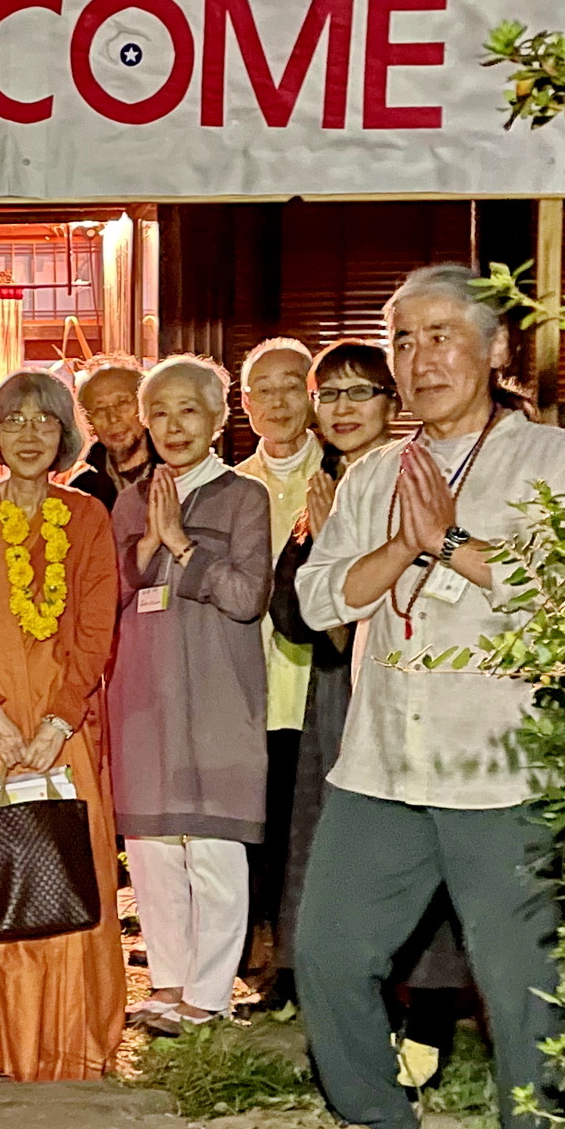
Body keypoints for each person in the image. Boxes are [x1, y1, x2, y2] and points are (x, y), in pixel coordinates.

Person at [288, 266, 565, 1129]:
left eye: (441, 336)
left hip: (499, 768)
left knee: (524, 989)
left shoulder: (547, 457)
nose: (420, 360)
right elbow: (317, 599)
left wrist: (451, 544)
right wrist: (404, 543)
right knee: (326, 951)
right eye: (404, 340)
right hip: (382, 763)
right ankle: (378, 1116)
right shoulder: (374, 472)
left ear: (495, 349)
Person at [270, 343, 471, 1074]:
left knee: (418, 853)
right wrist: (322, 547)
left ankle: (431, 1028)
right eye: (330, 395)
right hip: (336, 696)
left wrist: (353, 576)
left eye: (362, 392)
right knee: (341, 865)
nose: (344, 409)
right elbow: (293, 613)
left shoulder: (423, 477)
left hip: (416, 689)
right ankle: (365, 1027)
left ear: (395, 403)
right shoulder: (324, 491)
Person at [0, 370, 123, 1079]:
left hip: (63, 728)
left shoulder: (87, 518)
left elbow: (96, 628)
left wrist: (56, 722)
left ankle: (68, 1039)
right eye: (14, 420)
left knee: (69, 875)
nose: (30, 434)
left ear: (65, 434)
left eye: (45, 421)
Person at [107, 354, 273, 1035]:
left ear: (218, 419)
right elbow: (107, 597)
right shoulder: (128, 500)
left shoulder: (244, 497)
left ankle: (209, 994)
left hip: (218, 695)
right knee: (150, 848)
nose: (174, 427)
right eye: (160, 413)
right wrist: (147, 540)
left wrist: (181, 546)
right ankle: (169, 985)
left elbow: (245, 596)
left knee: (214, 846)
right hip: (143, 696)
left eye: (189, 411)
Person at [235, 337, 323, 989]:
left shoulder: (345, 472)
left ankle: (306, 964)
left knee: (312, 831)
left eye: (291, 385)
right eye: (263, 390)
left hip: (321, 682)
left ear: (311, 395)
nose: (278, 401)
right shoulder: (232, 487)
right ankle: (260, 955)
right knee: (257, 832)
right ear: (245, 405)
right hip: (251, 687)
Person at [72, 355, 161, 512]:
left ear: (145, 406)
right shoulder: (82, 490)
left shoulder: (176, 471)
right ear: (89, 421)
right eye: (100, 409)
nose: (112, 418)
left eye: (122, 403)